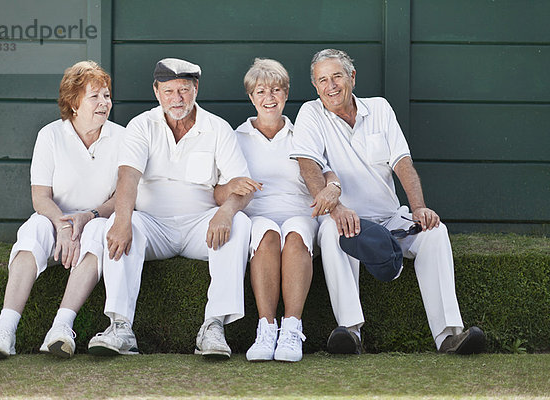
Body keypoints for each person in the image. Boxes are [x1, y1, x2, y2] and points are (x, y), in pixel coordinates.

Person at [291, 49, 485, 355]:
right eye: (322, 80)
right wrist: (335, 208)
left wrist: (419, 207)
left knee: (434, 232)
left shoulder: (380, 109)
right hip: (344, 218)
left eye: (337, 76)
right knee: (331, 231)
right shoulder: (310, 114)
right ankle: (351, 332)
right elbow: (308, 165)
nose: (331, 85)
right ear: (315, 86)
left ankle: (449, 335)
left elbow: (402, 161)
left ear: (352, 78)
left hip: (390, 217)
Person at [87, 58, 252, 359]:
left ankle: (213, 327)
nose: (177, 99)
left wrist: (226, 212)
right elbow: (128, 177)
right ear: (156, 91)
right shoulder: (141, 126)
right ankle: (121, 328)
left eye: (184, 90)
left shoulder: (218, 128)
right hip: (153, 225)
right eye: (169, 91)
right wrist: (123, 219)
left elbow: (242, 186)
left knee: (240, 224)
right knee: (123, 224)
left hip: (201, 226)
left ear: (196, 89)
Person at [0, 60, 123, 359]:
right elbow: (40, 197)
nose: (104, 103)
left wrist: (88, 217)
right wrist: (63, 224)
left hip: (96, 218)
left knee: (100, 231)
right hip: (55, 220)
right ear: (73, 103)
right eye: (95, 96)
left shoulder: (123, 138)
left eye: (107, 96)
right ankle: (5, 330)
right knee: (33, 228)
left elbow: (121, 196)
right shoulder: (50, 135)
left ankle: (61, 327)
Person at [216, 59, 338, 362]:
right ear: (250, 96)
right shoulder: (235, 137)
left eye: (276, 90)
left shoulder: (303, 134)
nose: (269, 98)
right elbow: (216, 192)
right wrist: (232, 186)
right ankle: (266, 328)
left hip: (300, 211)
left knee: (296, 234)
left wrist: (333, 188)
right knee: (266, 233)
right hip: (256, 214)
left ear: (286, 94)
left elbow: (329, 174)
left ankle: (292, 329)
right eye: (261, 91)